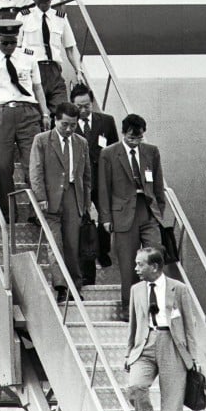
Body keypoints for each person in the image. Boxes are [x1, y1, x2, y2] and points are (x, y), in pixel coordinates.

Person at [0, 19, 50, 220]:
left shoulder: (28, 57)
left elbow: (38, 88)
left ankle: (38, 213)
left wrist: (45, 113)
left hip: (27, 113)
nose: (9, 47)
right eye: (4, 42)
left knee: (32, 163)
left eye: (12, 42)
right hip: (0, 114)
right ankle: (8, 213)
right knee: (3, 166)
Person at [97, 114, 167, 313]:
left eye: (139, 138)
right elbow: (104, 188)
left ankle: (155, 303)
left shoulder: (151, 152)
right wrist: (106, 218)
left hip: (147, 210)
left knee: (155, 254)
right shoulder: (109, 154)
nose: (135, 142)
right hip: (122, 214)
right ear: (123, 133)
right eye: (131, 138)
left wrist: (158, 211)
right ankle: (130, 309)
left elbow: (158, 184)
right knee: (129, 264)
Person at [29, 101, 96, 300]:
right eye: (64, 124)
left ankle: (75, 286)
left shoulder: (81, 143)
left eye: (73, 125)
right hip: (50, 198)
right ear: (55, 120)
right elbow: (36, 171)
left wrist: (86, 202)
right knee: (55, 244)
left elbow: (86, 176)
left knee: (72, 245)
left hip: (73, 196)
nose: (68, 129)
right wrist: (40, 197)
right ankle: (61, 287)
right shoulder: (41, 140)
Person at [125, 246, 198, 411]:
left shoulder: (179, 288)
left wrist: (192, 356)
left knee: (172, 402)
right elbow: (133, 326)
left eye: (140, 265)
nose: (136, 269)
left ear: (155, 267)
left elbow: (189, 326)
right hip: (145, 344)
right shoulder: (136, 290)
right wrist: (128, 354)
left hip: (172, 344)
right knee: (135, 387)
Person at [71, 83, 118, 279]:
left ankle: (103, 251)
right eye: (79, 107)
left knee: (106, 216)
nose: (83, 110)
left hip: (102, 178)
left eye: (86, 105)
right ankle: (87, 259)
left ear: (91, 102)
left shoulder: (106, 122)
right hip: (81, 181)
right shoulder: (69, 125)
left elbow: (115, 148)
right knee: (84, 221)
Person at [19, 0, 80, 119]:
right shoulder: (24, 17)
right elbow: (17, 48)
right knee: (36, 115)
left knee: (62, 113)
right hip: (33, 70)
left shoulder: (60, 18)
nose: (45, 4)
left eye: (47, 0)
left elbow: (70, 48)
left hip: (54, 72)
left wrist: (79, 70)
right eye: (41, 1)